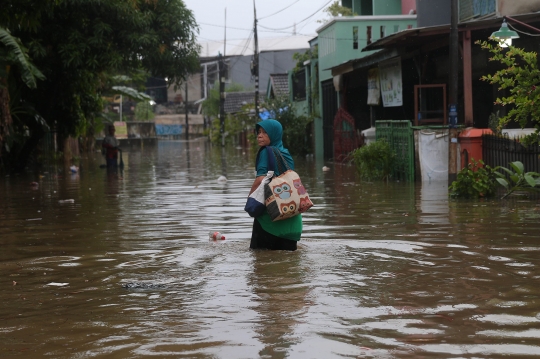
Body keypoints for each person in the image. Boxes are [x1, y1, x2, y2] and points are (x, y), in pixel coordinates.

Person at [248, 119, 302, 251]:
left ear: (274, 134)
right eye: (259, 132)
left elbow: (260, 179)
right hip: (292, 221)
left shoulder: (266, 152)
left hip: (270, 220)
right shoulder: (285, 153)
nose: (260, 135)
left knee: (261, 264)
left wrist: (250, 199)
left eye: (265, 132)